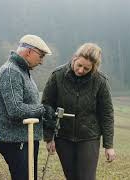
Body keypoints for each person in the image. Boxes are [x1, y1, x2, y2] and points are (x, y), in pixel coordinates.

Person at [42, 43, 116, 180]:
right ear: (74, 58)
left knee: (86, 177)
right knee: (71, 176)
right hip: (63, 137)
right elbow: (47, 106)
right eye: (79, 65)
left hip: (89, 138)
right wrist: (48, 137)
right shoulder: (57, 76)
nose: (81, 70)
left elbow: (107, 114)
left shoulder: (100, 82)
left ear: (94, 68)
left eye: (87, 68)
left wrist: (109, 145)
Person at [0, 34, 56, 180]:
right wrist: (43, 109)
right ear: (29, 52)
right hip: (16, 141)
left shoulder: (22, 71)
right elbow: (15, 109)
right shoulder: (11, 72)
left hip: (24, 138)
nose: (41, 62)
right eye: (41, 56)